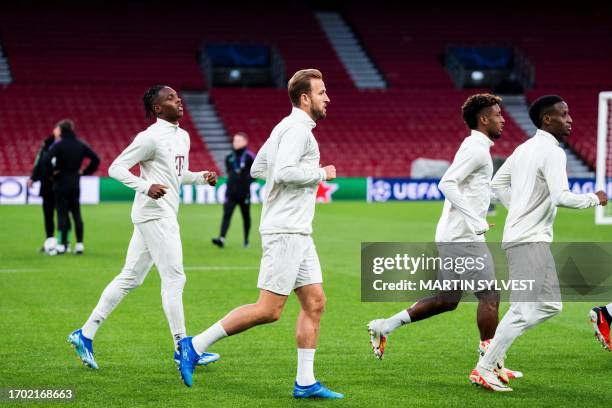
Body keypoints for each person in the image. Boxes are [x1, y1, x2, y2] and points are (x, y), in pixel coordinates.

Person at [177, 69, 343, 399]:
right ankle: (193, 345)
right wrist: (320, 173)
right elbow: (282, 172)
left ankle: (305, 382)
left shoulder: (285, 127)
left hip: (297, 230)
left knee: (315, 301)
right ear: (306, 98)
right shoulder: (297, 130)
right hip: (285, 230)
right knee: (269, 309)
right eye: (322, 92)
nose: (328, 98)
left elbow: (257, 169)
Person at [367, 93, 520, 383]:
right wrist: (475, 219)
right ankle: (487, 366)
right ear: (483, 119)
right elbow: (446, 183)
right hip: (463, 237)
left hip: (456, 235)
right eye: (498, 115)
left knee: (447, 300)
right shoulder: (476, 149)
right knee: (490, 296)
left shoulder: (478, 148)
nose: (503, 119)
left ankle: (385, 325)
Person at [67, 85, 219, 370]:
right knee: (174, 278)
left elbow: (175, 175)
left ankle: (84, 334)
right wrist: (145, 185)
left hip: (158, 213)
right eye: (171, 98)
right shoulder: (149, 137)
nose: (179, 101)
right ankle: (182, 347)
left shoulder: (182, 136)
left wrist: (200, 178)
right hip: (155, 214)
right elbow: (116, 167)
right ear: (158, 109)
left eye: (178, 96)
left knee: (130, 278)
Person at [470, 95, 608, 392]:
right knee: (521, 310)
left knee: (550, 305)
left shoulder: (524, 148)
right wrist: (593, 199)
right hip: (527, 239)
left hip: (529, 237)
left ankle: (494, 357)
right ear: (547, 119)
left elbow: (496, 185)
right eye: (563, 113)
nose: (569, 118)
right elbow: (561, 196)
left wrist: (518, 207)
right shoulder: (552, 152)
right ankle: (484, 367)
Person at [45, 120, 100, 254]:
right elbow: (96, 159)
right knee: (76, 214)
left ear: (62, 130)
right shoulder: (80, 144)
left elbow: (46, 160)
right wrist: (85, 172)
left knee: (62, 214)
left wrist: (52, 173)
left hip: (61, 182)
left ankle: (61, 245)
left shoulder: (58, 145)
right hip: (75, 182)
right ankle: (80, 244)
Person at [212, 132, 255, 248]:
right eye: (234, 140)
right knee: (226, 215)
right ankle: (221, 238)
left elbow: (255, 173)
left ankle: (246, 240)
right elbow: (229, 172)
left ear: (245, 142)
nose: (235, 142)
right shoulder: (229, 157)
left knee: (246, 216)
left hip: (244, 193)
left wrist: (246, 182)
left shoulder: (250, 157)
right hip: (230, 193)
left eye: (238, 140)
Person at [27, 125, 62, 253]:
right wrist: (33, 178)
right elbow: (39, 163)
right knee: (48, 216)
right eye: (56, 129)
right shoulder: (46, 145)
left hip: (61, 186)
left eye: (59, 129)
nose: (57, 131)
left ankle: (64, 243)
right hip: (47, 186)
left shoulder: (67, 144)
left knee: (62, 216)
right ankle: (50, 242)